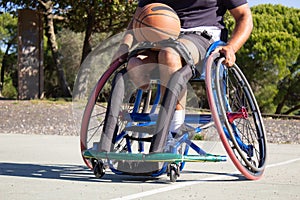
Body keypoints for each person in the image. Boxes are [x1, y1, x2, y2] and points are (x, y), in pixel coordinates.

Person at [114, 0, 253, 135]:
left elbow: (244, 16)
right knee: (135, 64)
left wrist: (231, 47)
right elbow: (138, 19)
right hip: (161, 36)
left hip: (202, 37)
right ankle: (152, 102)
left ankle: (174, 126)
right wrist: (124, 47)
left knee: (169, 54)